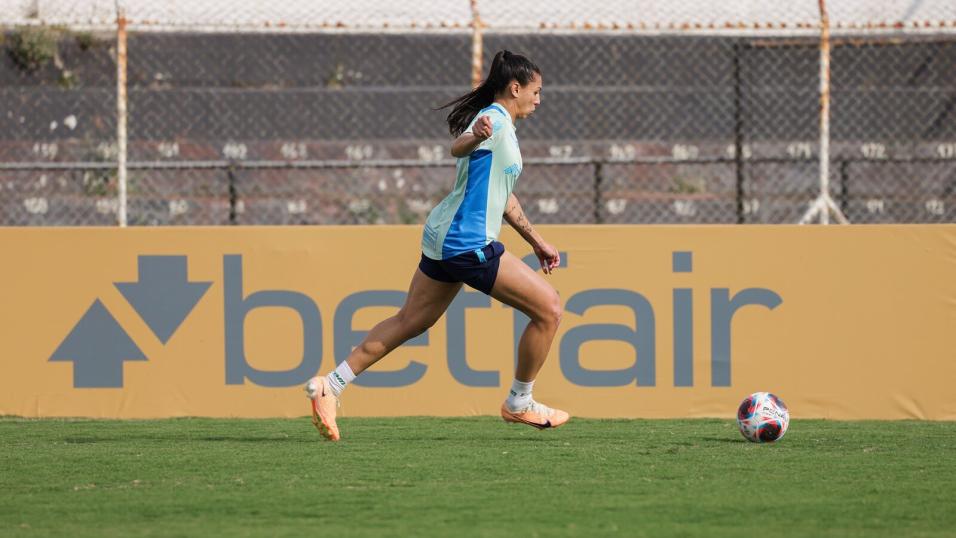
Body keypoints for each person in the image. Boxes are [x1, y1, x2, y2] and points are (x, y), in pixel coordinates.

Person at [305, 50, 568, 441]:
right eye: (536, 90)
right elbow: (458, 146)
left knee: (412, 320)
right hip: (467, 242)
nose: (539, 99)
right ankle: (520, 401)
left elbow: (504, 197)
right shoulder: (494, 122)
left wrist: (538, 241)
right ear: (516, 88)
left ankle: (331, 384)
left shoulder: (504, 129)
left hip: (444, 236)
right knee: (549, 310)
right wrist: (472, 136)